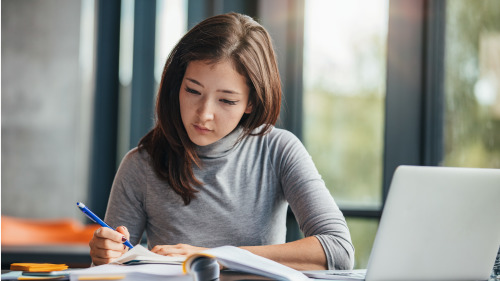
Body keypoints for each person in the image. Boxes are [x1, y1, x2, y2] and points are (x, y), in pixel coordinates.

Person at [89, 12, 354, 271]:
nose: (204, 114)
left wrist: (217, 257)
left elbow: (338, 250)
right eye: (193, 90)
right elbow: (108, 272)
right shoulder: (141, 165)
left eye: (226, 100)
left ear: (251, 102)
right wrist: (105, 257)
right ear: (177, 84)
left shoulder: (278, 150)